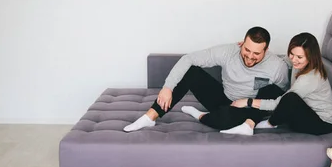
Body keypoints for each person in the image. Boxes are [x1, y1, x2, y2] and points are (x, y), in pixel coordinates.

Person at [123, 27, 289, 132]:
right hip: (223, 99)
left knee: (227, 119)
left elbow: (282, 94)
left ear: (266, 50)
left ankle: (201, 115)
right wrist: (167, 88)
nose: (250, 57)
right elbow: (189, 59)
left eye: (256, 53)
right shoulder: (228, 51)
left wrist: (254, 106)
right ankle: (150, 117)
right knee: (192, 72)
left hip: (247, 108)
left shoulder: (276, 67)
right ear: (242, 43)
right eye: (247, 50)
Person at [186, 32, 332, 136]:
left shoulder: (310, 78)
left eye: (299, 56)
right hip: (301, 112)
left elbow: (281, 103)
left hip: (320, 123)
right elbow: (278, 62)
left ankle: (268, 123)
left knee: (289, 98)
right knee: (270, 88)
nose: (293, 59)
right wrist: (249, 49)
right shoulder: (295, 63)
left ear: (311, 57)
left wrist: (248, 101)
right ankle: (248, 124)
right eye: (292, 54)